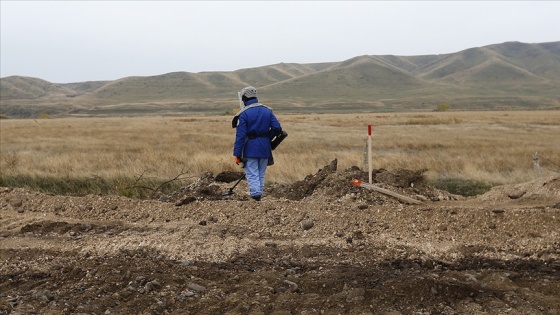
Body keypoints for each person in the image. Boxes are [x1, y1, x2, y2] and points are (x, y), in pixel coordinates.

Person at [233, 86, 282, 201]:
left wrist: (237, 154)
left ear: (244, 99)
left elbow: (240, 136)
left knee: (252, 173)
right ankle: (258, 195)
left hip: (250, 148)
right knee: (260, 173)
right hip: (265, 148)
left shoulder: (244, 114)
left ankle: (256, 197)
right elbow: (277, 128)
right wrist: (266, 138)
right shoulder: (267, 111)